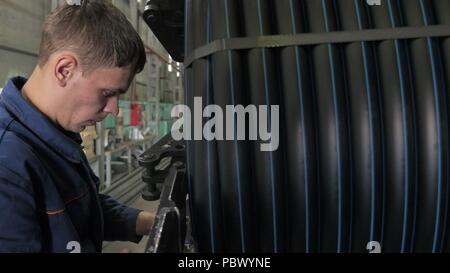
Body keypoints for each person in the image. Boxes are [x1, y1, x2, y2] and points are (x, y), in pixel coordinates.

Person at [0, 0, 154, 253]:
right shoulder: (7, 167)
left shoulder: (53, 133)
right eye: (107, 93)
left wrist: (143, 222)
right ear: (64, 70)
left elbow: (78, 208)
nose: (114, 109)